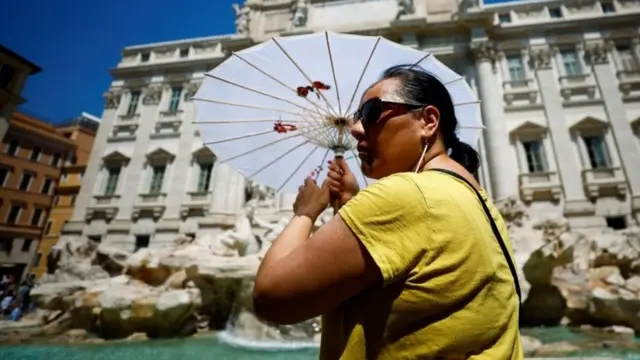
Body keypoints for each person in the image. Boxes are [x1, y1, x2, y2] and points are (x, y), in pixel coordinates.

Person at [253, 64, 523, 359]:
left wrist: (304, 213)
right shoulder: (477, 200)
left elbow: (271, 299)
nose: (356, 128)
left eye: (371, 112)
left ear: (428, 121)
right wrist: (351, 204)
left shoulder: (406, 195)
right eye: (357, 117)